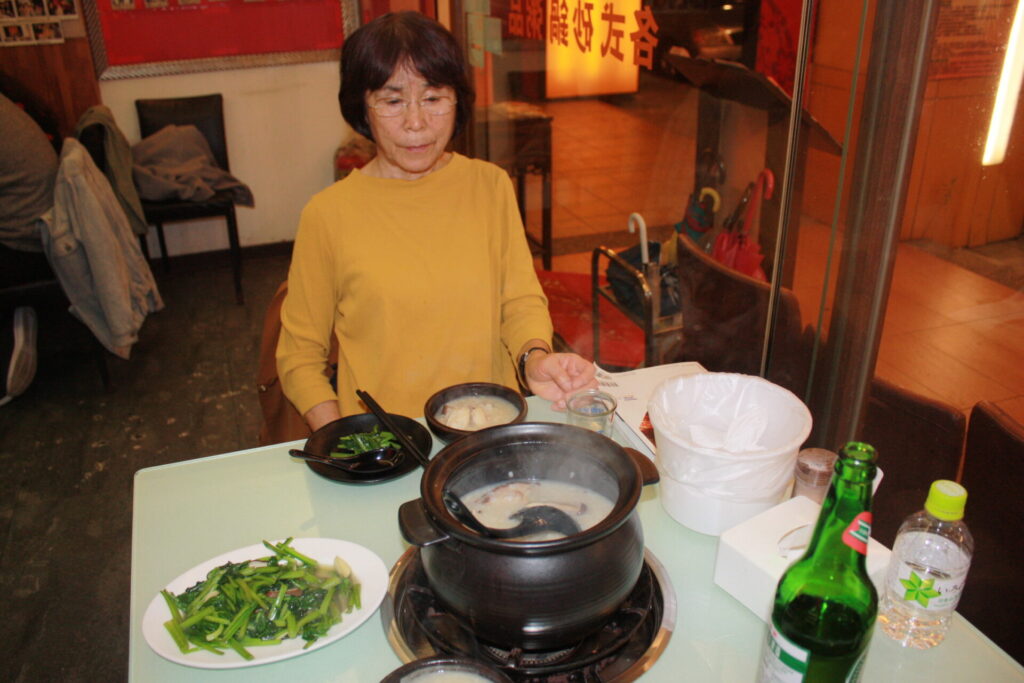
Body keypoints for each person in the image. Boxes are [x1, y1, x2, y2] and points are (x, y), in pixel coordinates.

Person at [277, 11, 597, 429]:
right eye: (392, 101)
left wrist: (533, 358)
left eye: (433, 98)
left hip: (491, 424)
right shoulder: (327, 214)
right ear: (362, 107)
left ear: (457, 100)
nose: (416, 122)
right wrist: (343, 438)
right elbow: (299, 355)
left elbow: (519, 301)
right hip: (389, 440)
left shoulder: (490, 186)